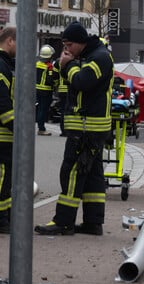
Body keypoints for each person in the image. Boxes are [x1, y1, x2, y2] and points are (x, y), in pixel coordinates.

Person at [35, 22, 114, 236]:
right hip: (88, 127)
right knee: (93, 175)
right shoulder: (87, 56)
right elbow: (70, 85)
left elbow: (82, 82)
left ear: (80, 42)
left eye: (69, 44)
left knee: (71, 172)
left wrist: (68, 66)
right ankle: (93, 222)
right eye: (64, 45)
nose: (66, 49)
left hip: (87, 128)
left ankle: (63, 221)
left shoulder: (99, 57)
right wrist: (65, 67)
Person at [0, 27, 15, 234]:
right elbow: (2, 102)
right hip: (3, 134)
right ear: (10, 41)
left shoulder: (5, 64)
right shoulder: (2, 66)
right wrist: (17, 127)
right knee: (2, 179)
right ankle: (2, 221)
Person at [35, 44, 56, 136]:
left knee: (39, 108)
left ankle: (40, 126)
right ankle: (41, 128)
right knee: (43, 110)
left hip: (37, 90)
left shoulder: (37, 64)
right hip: (46, 91)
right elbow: (50, 80)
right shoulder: (49, 67)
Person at [52, 57, 69, 136]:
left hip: (62, 90)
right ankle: (70, 131)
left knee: (63, 111)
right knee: (71, 112)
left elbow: (54, 76)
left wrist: (56, 85)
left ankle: (63, 131)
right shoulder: (76, 60)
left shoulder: (59, 61)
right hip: (73, 91)